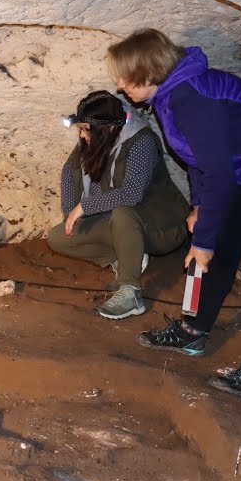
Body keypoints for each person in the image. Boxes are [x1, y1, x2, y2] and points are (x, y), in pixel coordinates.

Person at [106, 29, 241, 400]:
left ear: (149, 72)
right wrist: (201, 208)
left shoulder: (191, 97)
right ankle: (194, 331)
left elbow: (218, 172)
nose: (120, 85)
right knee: (223, 245)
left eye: (126, 78)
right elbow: (196, 158)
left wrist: (203, 240)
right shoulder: (168, 94)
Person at [47, 90, 191, 319]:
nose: (83, 136)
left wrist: (83, 207)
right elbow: (69, 171)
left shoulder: (141, 141)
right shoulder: (96, 139)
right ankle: (125, 257)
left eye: (86, 129)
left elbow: (130, 195)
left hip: (162, 226)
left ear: (107, 128)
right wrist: (69, 213)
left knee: (124, 213)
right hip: (119, 224)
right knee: (58, 237)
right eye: (81, 129)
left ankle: (131, 292)